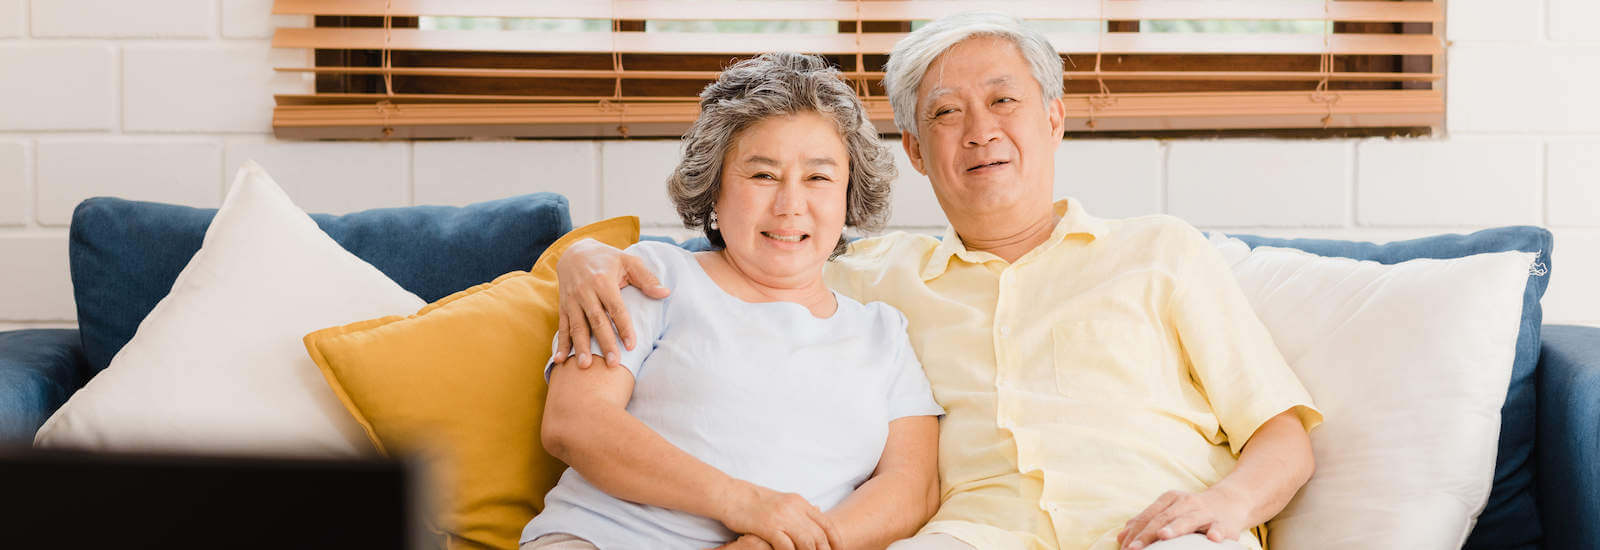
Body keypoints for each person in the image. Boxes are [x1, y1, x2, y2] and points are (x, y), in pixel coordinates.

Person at [554, 12, 1324, 550]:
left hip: (1155, 527)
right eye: (946, 113)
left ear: (1054, 118)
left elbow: (1281, 436)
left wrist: (1224, 507)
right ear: (917, 153)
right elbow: (745, 259)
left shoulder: (1163, 251)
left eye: (1003, 100)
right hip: (972, 537)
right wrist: (581, 258)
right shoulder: (874, 281)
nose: (980, 128)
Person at [522, 52, 944, 550]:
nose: (790, 205)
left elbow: (912, 488)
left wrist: (781, 544)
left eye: (818, 178)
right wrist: (745, 504)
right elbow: (576, 423)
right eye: (763, 175)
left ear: (849, 195)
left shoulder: (884, 334)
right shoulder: (650, 276)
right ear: (715, 193)